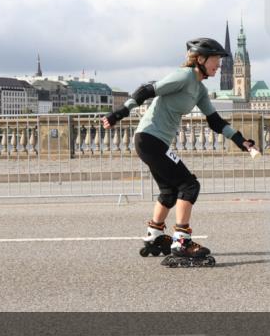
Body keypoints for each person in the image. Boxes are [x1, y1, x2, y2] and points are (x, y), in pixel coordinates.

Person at [102, 38, 257, 268]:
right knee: (189, 185)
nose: (220, 65)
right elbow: (148, 89)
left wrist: (240, 140)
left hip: (156, 142)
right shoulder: (184, 76)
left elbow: (215, 121)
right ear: (201, 59)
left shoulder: (200, 89)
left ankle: (154, 235)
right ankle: (181, 241)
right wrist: (118, 114)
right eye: (216, 59)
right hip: (149, 138)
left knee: (169, 191)